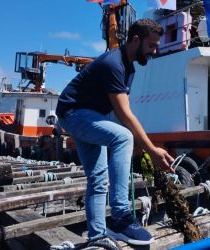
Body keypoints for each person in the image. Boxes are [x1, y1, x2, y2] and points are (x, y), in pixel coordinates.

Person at [56, 18, 174, 247]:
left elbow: (122, 110)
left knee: (98, 178)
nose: (155, 50)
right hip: (74, 114)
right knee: (123, 136)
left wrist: (136, 142)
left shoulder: (129, 68)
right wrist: (151, 149)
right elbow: (124, 114)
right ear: (136, 40)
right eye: (151, 45)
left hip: (92, 116)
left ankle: (97, 236)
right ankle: (121, 217)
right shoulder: (113, 64)